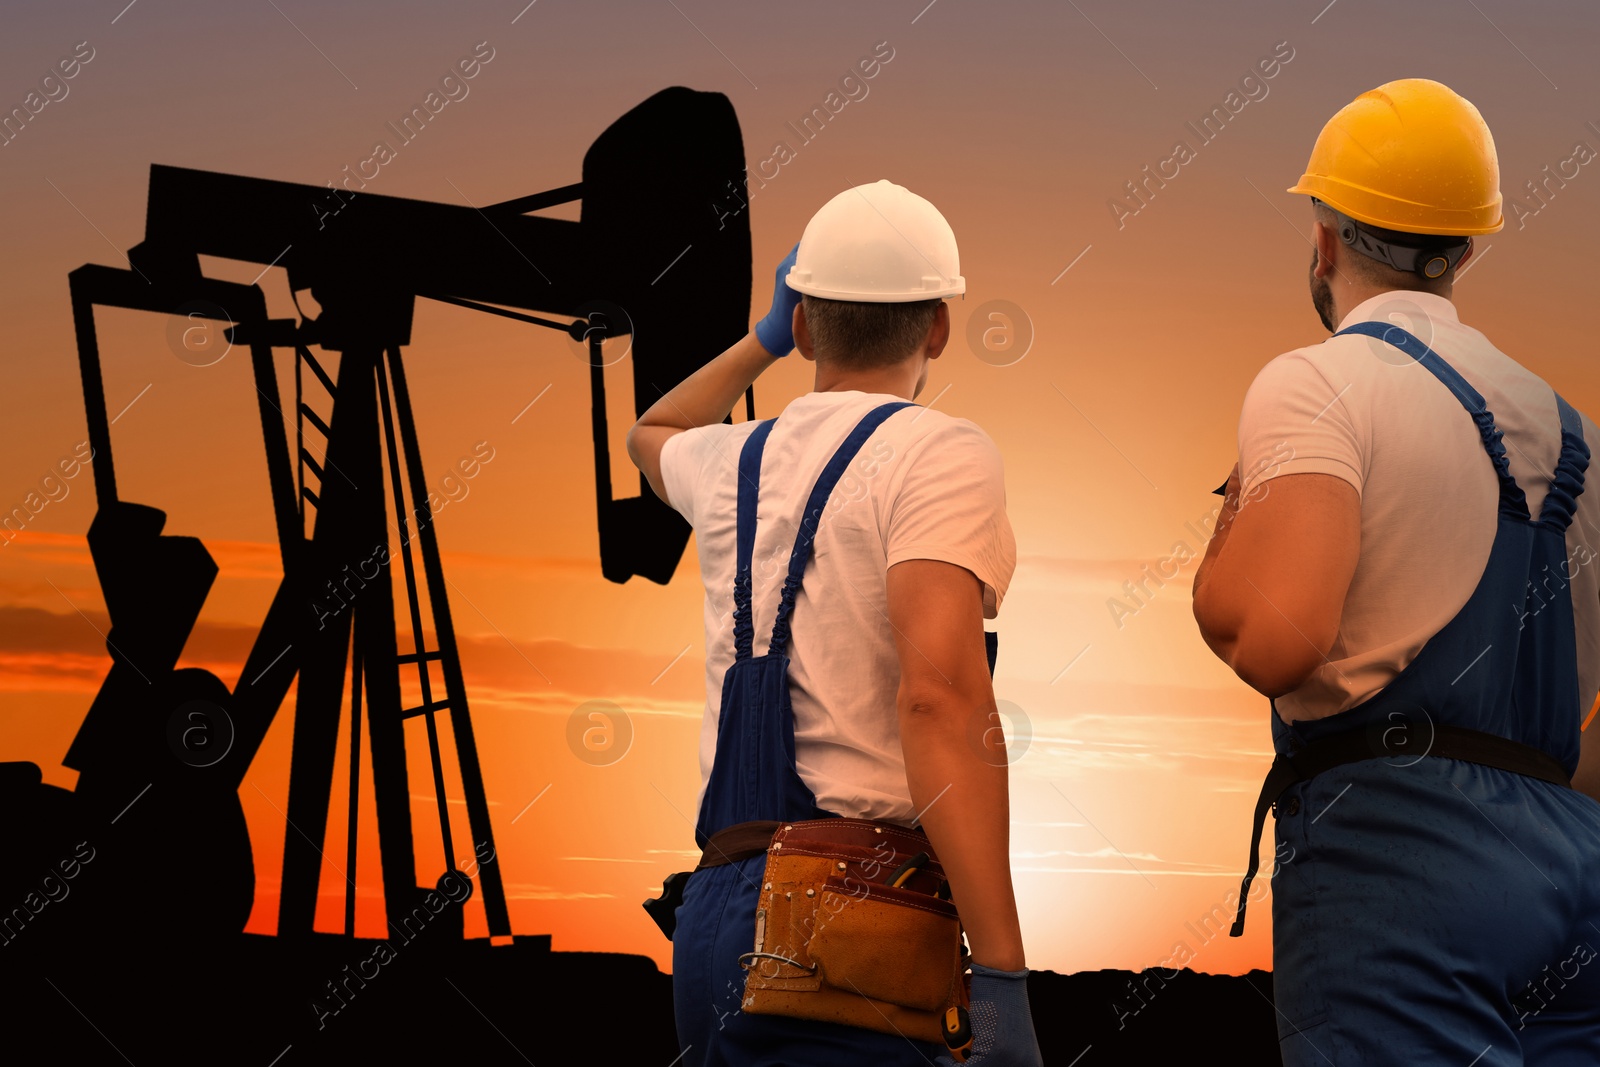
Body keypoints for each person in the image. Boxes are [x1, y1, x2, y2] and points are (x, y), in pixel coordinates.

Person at [1192, 78, 1600, 1064]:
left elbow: (1272, 633)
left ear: (1323, 239)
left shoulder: (1318, 382)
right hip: (1573, 865)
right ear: (1466, 246)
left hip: (1396, 860)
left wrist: (1228, 534)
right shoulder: (1572, 430)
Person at [627, 180, 1042, 1066]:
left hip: (713, 919)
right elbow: (939, 699)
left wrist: (764, 338)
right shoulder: (940, 452)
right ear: (937, 325)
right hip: (853, 925)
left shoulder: (729, 457)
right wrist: (1002, 974)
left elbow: (651, 428)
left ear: (808, 323)